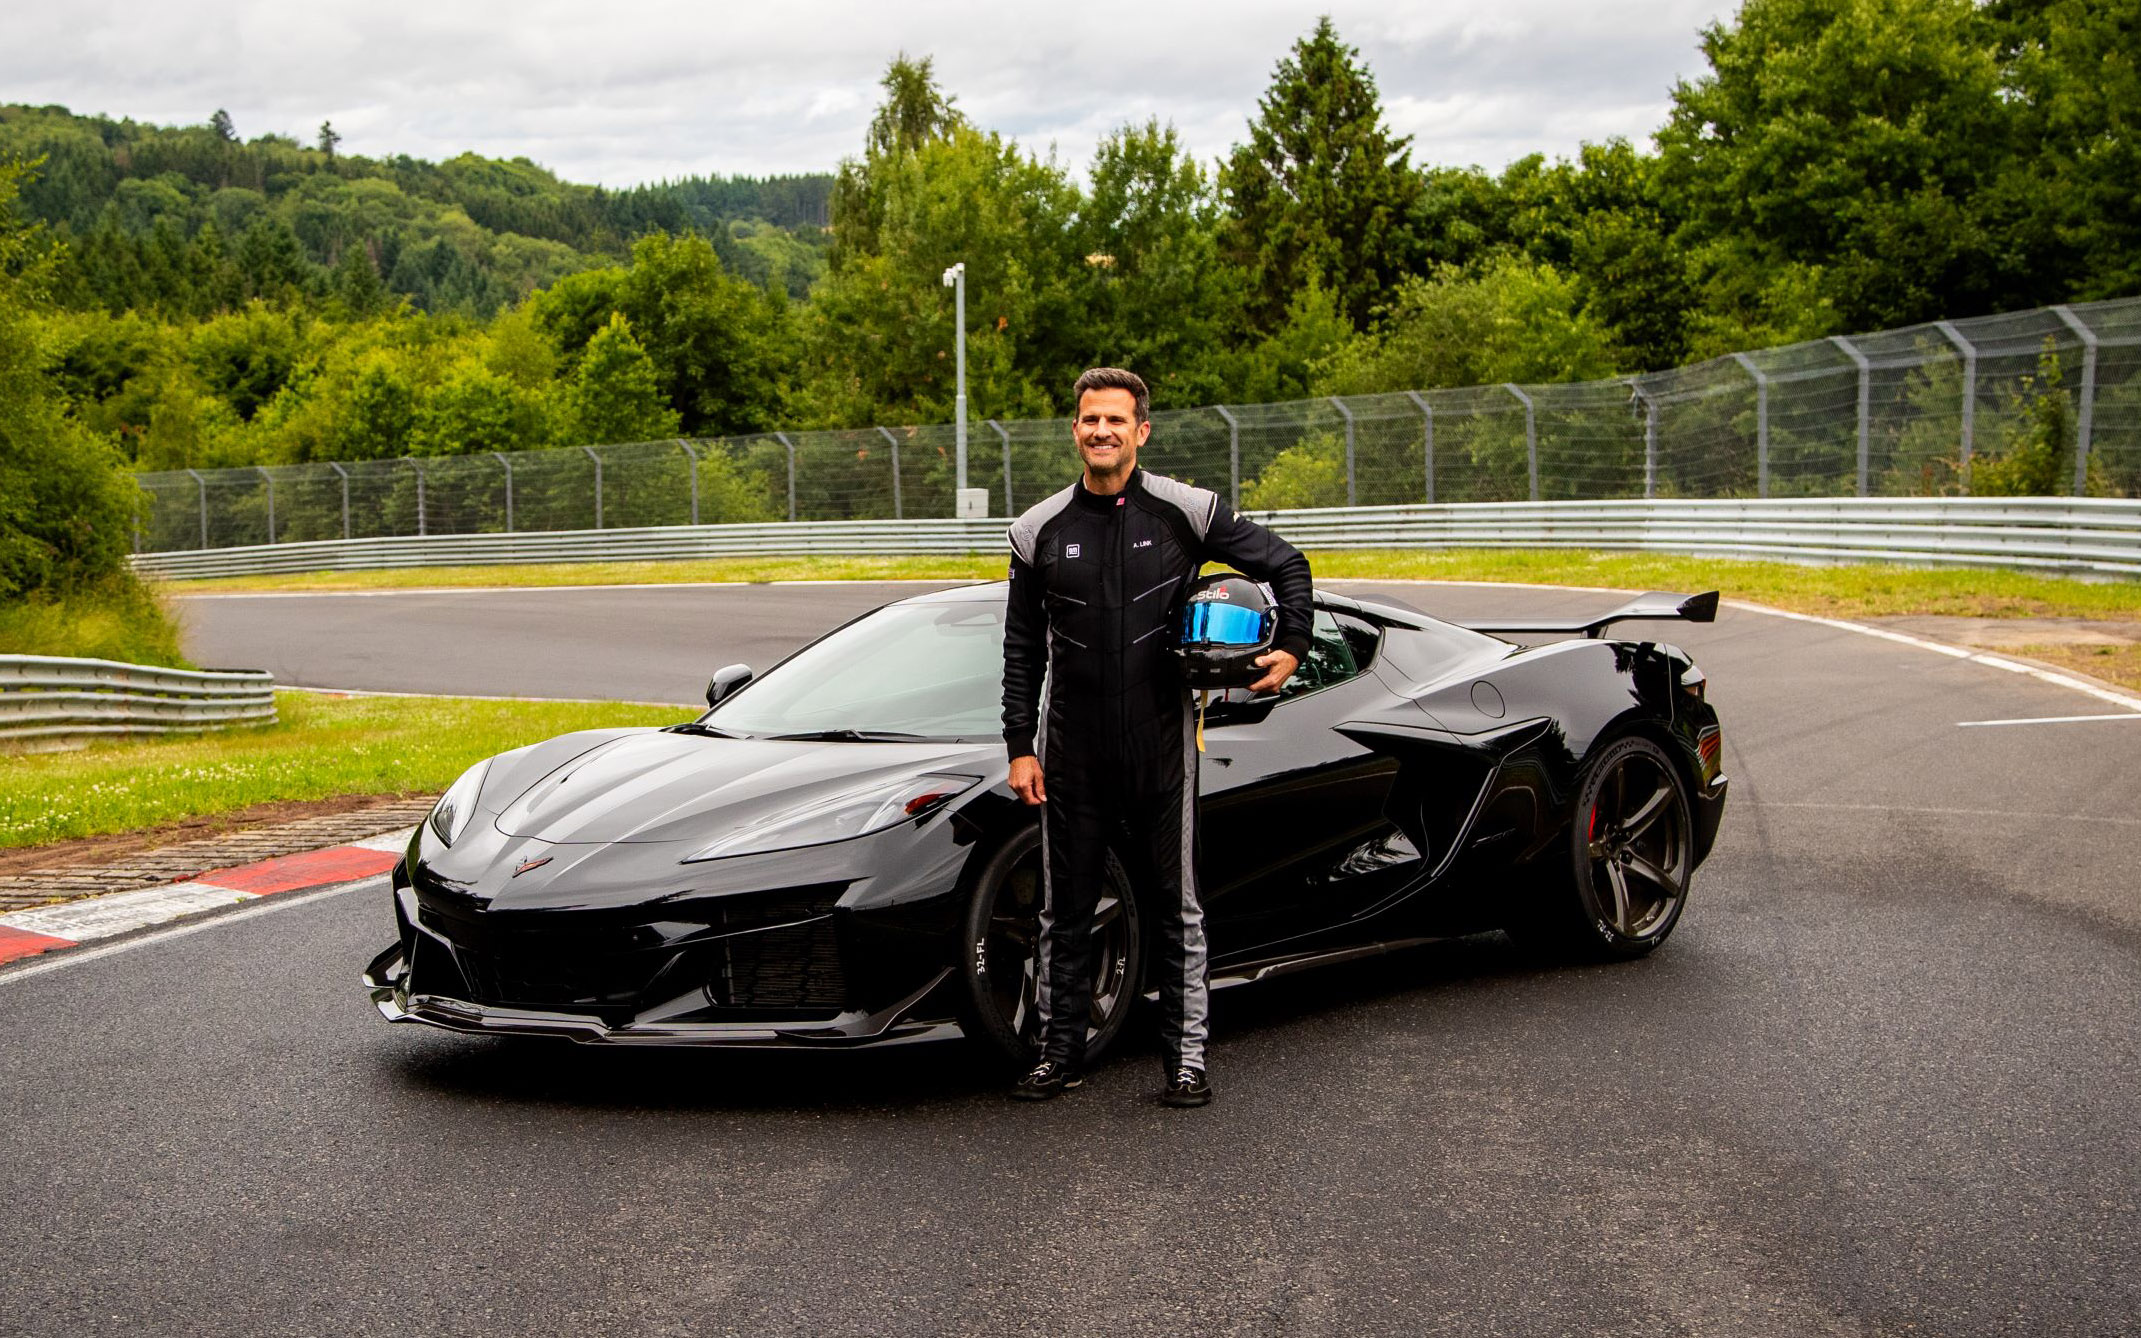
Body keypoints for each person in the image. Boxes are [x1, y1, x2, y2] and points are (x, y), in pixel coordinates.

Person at [1001, 367, 1313, 1107]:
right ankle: (1058, 1053)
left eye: (1115, 420)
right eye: (1090, 420)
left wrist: (1292, 646)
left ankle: (1186, 1060)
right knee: (1063, 911)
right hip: (1071, 750)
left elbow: (1286, 564)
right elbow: (1022, 649)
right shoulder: (1037, 530)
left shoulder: (1185, 511)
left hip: (1161, 745)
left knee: (1178, 907)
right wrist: (1019, 745)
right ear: (1074, 431)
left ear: (1140, 430)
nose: (1101, 431)